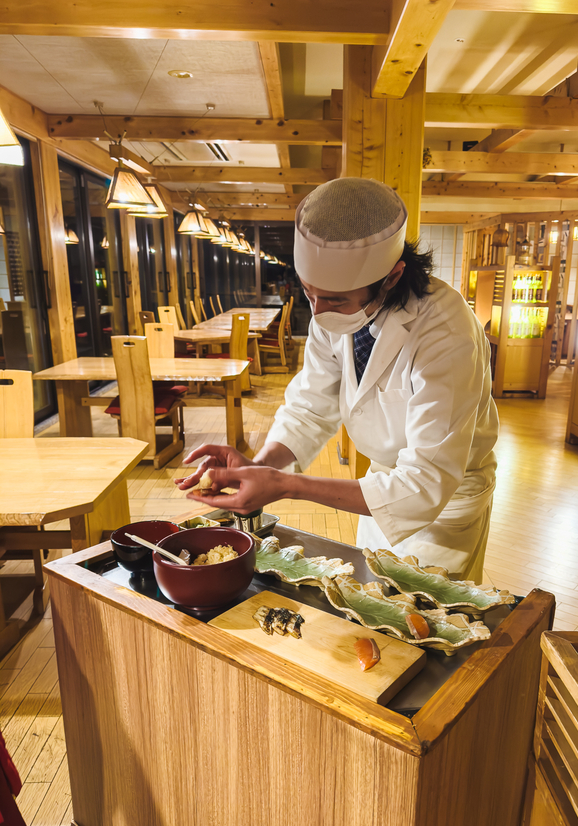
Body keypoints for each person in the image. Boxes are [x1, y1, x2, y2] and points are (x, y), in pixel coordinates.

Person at [176, 177, 498, 580]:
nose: (318, 310)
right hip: (382, 482)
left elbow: (426, 483)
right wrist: (259, 467)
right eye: (310, 293)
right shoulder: (331, 311)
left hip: (446, 503)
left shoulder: (446, 333)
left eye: (335, 300)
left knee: (422, 622)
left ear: (393, 277)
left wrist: (284, 484)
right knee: (369, 596)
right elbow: (310, 405)